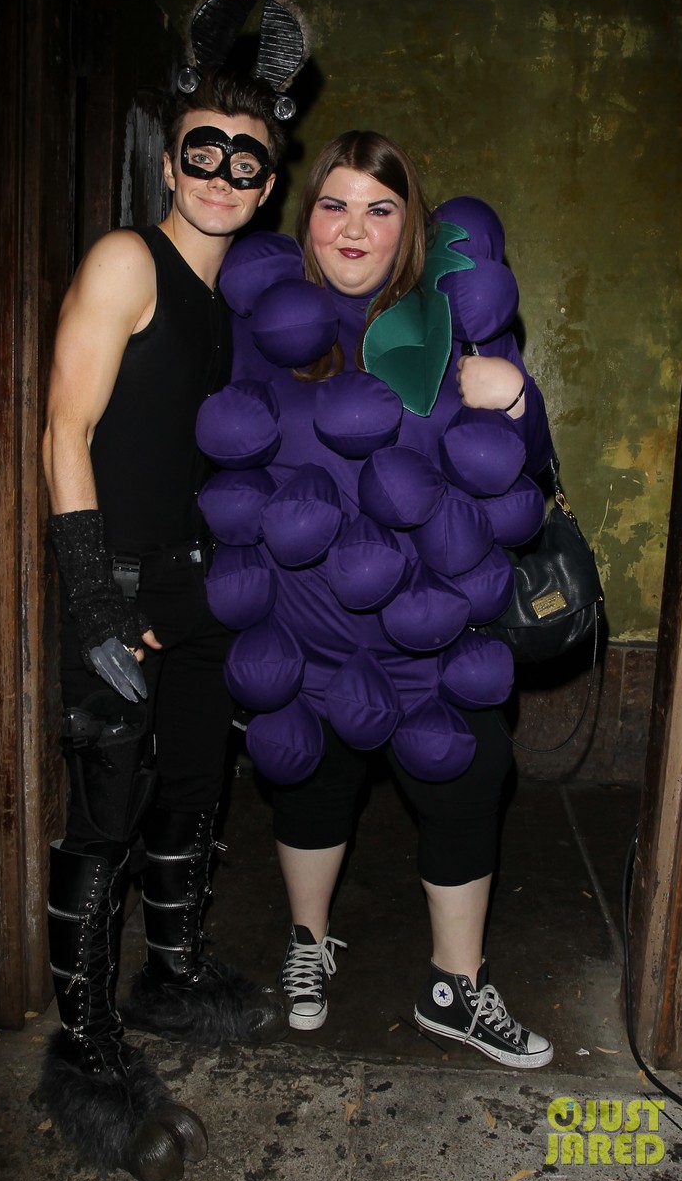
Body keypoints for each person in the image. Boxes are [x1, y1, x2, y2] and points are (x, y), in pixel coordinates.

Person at [194, 131, 556, 1070]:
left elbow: (534, 467)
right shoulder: (260, 324)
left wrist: (515, 400)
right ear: (306, 217)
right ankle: (307, 943)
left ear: (411, 227)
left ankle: (455, 984)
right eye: (335, 203)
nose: (354, 228)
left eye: (380, 208)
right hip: (304, 624)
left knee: (471, 780)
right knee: (310, 787)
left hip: (430, 632)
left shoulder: (456, 319)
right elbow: (212, 451)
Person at [40, 70, 295, 1181]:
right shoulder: (126, 259)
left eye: (248, 158)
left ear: (268, 182)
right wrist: (96, 598)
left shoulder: (230, 298)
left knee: (193, 782)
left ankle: (173, 977)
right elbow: (65, 427)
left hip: (198, 587)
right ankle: (87, 1049)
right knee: (105, 818)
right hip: (122, 583)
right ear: (169, 160)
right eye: (205, 149)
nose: (223, 173)